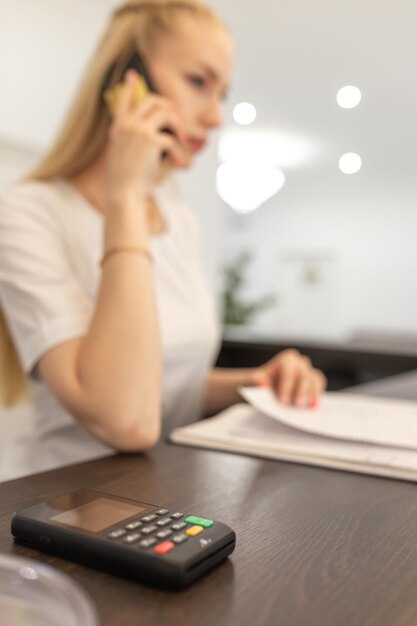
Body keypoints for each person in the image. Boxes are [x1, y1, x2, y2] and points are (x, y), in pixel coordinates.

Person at [0, 0, 326, 481]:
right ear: (126, 81)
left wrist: (256, 383)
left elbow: (162, 382)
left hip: (161, 495)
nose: (216, 117)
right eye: (198, 82)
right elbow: (127, 419)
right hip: (60, 507)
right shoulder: (26, 212)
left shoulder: (176, 217)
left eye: (223, 94)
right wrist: (126, 193)